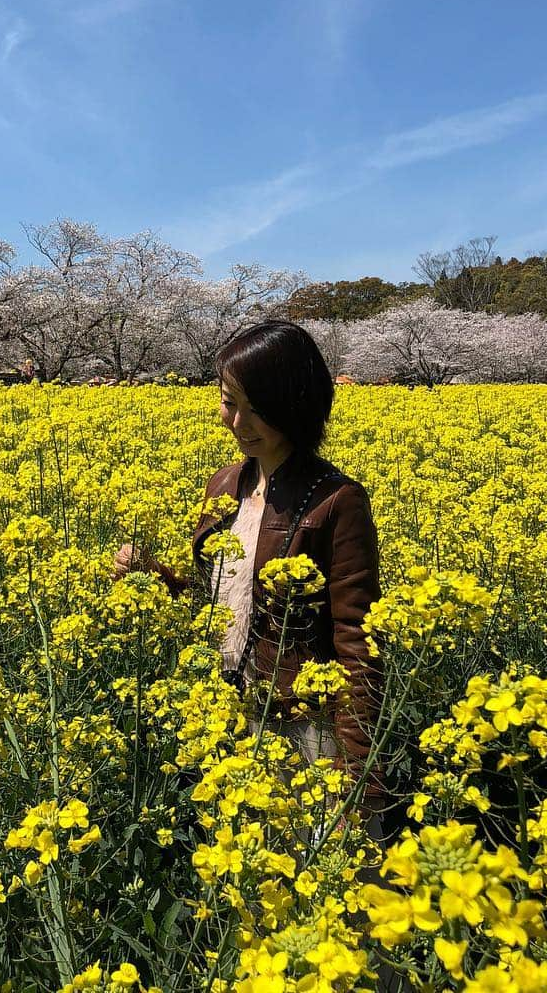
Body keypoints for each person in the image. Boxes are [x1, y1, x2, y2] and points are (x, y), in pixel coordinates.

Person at [113, 320, 384, 818]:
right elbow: (212, 603)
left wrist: (359, 774)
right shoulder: (224, 486)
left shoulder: (336, 502)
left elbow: (356, 642)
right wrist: (153, 579)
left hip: (304, 730)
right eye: (229, 402)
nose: (238, 423)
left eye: (256, 409)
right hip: (226, 716)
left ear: (296, 405)